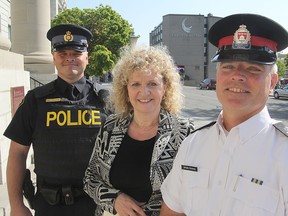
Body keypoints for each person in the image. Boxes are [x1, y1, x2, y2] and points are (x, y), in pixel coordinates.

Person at [160, 13, 288, 216]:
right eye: (228, 67)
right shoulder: (192, 144)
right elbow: (173, 211)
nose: (237, 75)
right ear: (217, 76)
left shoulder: (284, 153)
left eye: (253, 69)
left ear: (272, 82)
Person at [4, 24, 110, 216]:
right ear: (53, 58)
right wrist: (16, 205)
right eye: (62, 53)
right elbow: (17, 154)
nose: (69, 58)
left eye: (76, 53)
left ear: (87, 57)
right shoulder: (35, 101)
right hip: (49, 206)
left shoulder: (105, 101)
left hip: (97, 206)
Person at [83, 45, 195, 216]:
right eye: (136, 84)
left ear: (165, 88)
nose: (144, 92)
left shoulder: (184, 132)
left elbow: (193, 192)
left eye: (152, 83)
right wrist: (114, 199)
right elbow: (90, 178)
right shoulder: (111, 127)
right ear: (126, 90)